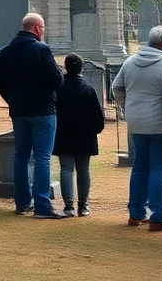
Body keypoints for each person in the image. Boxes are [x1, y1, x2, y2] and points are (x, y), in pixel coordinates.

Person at [0, 12, 65, 219]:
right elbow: (56, 79)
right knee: (42, 157)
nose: (43, 32)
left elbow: (0, 82)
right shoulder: (41, 49)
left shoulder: (6, 52)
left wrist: (13, 100)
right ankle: (43, 206)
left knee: (21, 157)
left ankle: (22, 203)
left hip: (19, 110)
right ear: (36, 29)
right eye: (42, 28)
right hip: (43, 110)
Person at [113, 25, 162, 231]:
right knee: (159, 169)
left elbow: (116, 88)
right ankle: (158, 217)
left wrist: (127, 107)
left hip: (137, 123)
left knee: (140, 167)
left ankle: (135, 213)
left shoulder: (130, 61)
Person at [54, 54, 105, 217]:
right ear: (81, 68)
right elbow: (98, 115)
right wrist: (96, 129)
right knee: (83, 169)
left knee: (66, 168)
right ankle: (83, 205)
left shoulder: (58, 88)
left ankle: (68, 205)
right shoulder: (88, 89)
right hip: (85, 134)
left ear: (65, 67)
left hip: (63, 133)